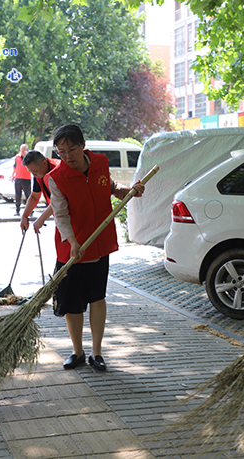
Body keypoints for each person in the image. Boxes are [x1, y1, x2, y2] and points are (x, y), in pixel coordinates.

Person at [45, 124, 144, 372]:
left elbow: (110, 188)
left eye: (72, 149)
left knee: (97, 298)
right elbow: (60, 215)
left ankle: (96, 353)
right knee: (71, 303)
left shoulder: (100, 162)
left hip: (99, 245)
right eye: (61, 151)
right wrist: (73, 241)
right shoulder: (56, 179)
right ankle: (77, 352)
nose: (67, 156)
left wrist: (128, 191)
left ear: (83, 145)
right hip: (73, 249)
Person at [19, 150, 60, 235]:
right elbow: (34, 196)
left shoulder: (58, 170)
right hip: (59, 216)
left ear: (44, 163)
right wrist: (25, 216)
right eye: (31, 172)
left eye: (35, 171)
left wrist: (42, 218)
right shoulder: (39, 174)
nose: (34, 175)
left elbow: (59, 200)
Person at [11, 144, 32, 216]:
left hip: (26, 178)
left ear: (27, 149)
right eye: (21, 149)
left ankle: (30, 211)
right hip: (18, 178)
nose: (22, 151)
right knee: (17, 195)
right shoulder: (17, 157)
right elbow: (15, 166)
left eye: (24, 149)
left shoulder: (29, 157)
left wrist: (25, 156)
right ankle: (17, 210)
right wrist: (13, 175)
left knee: (28, 196)